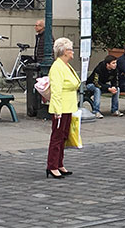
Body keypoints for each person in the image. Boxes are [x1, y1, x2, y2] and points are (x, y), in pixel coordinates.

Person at [46, 37, 80, 179]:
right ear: (65, 51)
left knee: (64, 136)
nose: (73, 52)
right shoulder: (57, 66)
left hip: (69, 106)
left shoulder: (65, 65)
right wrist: (57, 110)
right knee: (57, 137)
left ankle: (59, 163)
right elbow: (56, 90)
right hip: (61, 107)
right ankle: (52, 165)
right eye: (71, 49)